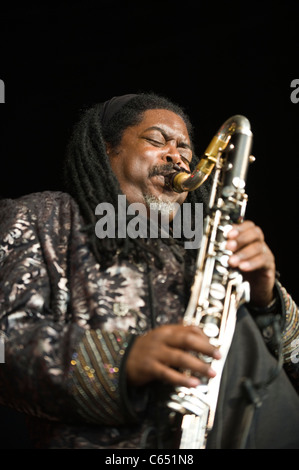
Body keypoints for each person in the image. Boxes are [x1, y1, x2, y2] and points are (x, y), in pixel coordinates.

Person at [0, 93, 298, 450]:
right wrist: (122, 362)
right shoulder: (43, 216)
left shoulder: (206, 244)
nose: (177, 156)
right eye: (157, 140)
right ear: (107, 149)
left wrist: (266, 301)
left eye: (186, 150)